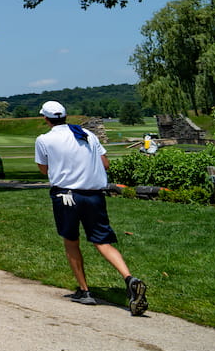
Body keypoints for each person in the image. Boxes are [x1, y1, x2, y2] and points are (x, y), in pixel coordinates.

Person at [35, 101, 148, 314]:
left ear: (46, 118)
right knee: (102, 241)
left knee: (71, 241)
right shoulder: (87, 134)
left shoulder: (44, 140)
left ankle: (85, 291)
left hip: (66, 195)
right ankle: (129, 278)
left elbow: (43, 169)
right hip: (94, 195)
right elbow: (105, 164)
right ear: (65, 116)